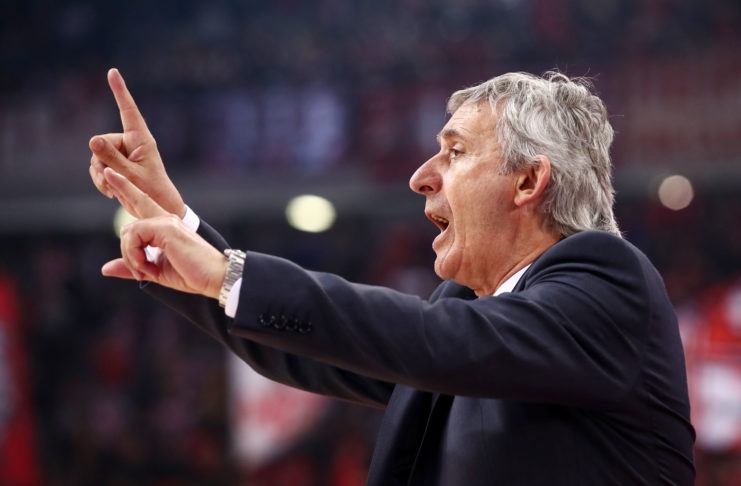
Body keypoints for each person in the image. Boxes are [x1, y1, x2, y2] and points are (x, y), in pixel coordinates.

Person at [89, 68, 695, 485]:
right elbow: (312, 348)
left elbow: (436, 338)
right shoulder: (471, 323)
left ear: (528, 181)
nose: (420, 176)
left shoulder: (607, 283)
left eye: (455, 152)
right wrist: (183, 232)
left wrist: (229, 274)